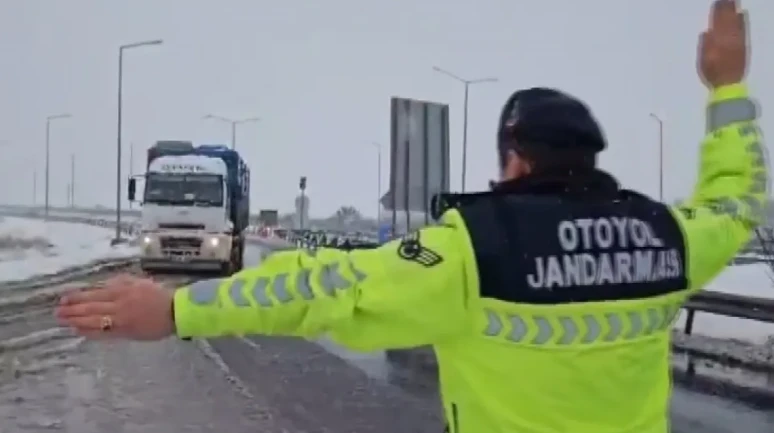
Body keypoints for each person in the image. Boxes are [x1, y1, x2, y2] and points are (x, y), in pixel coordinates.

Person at [56, 1, 764, 431]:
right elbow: (735, 203)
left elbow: (319, 286)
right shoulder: (664, 238)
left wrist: (178, 310)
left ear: (516, 159)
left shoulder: (475, 250)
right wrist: (728, 88)